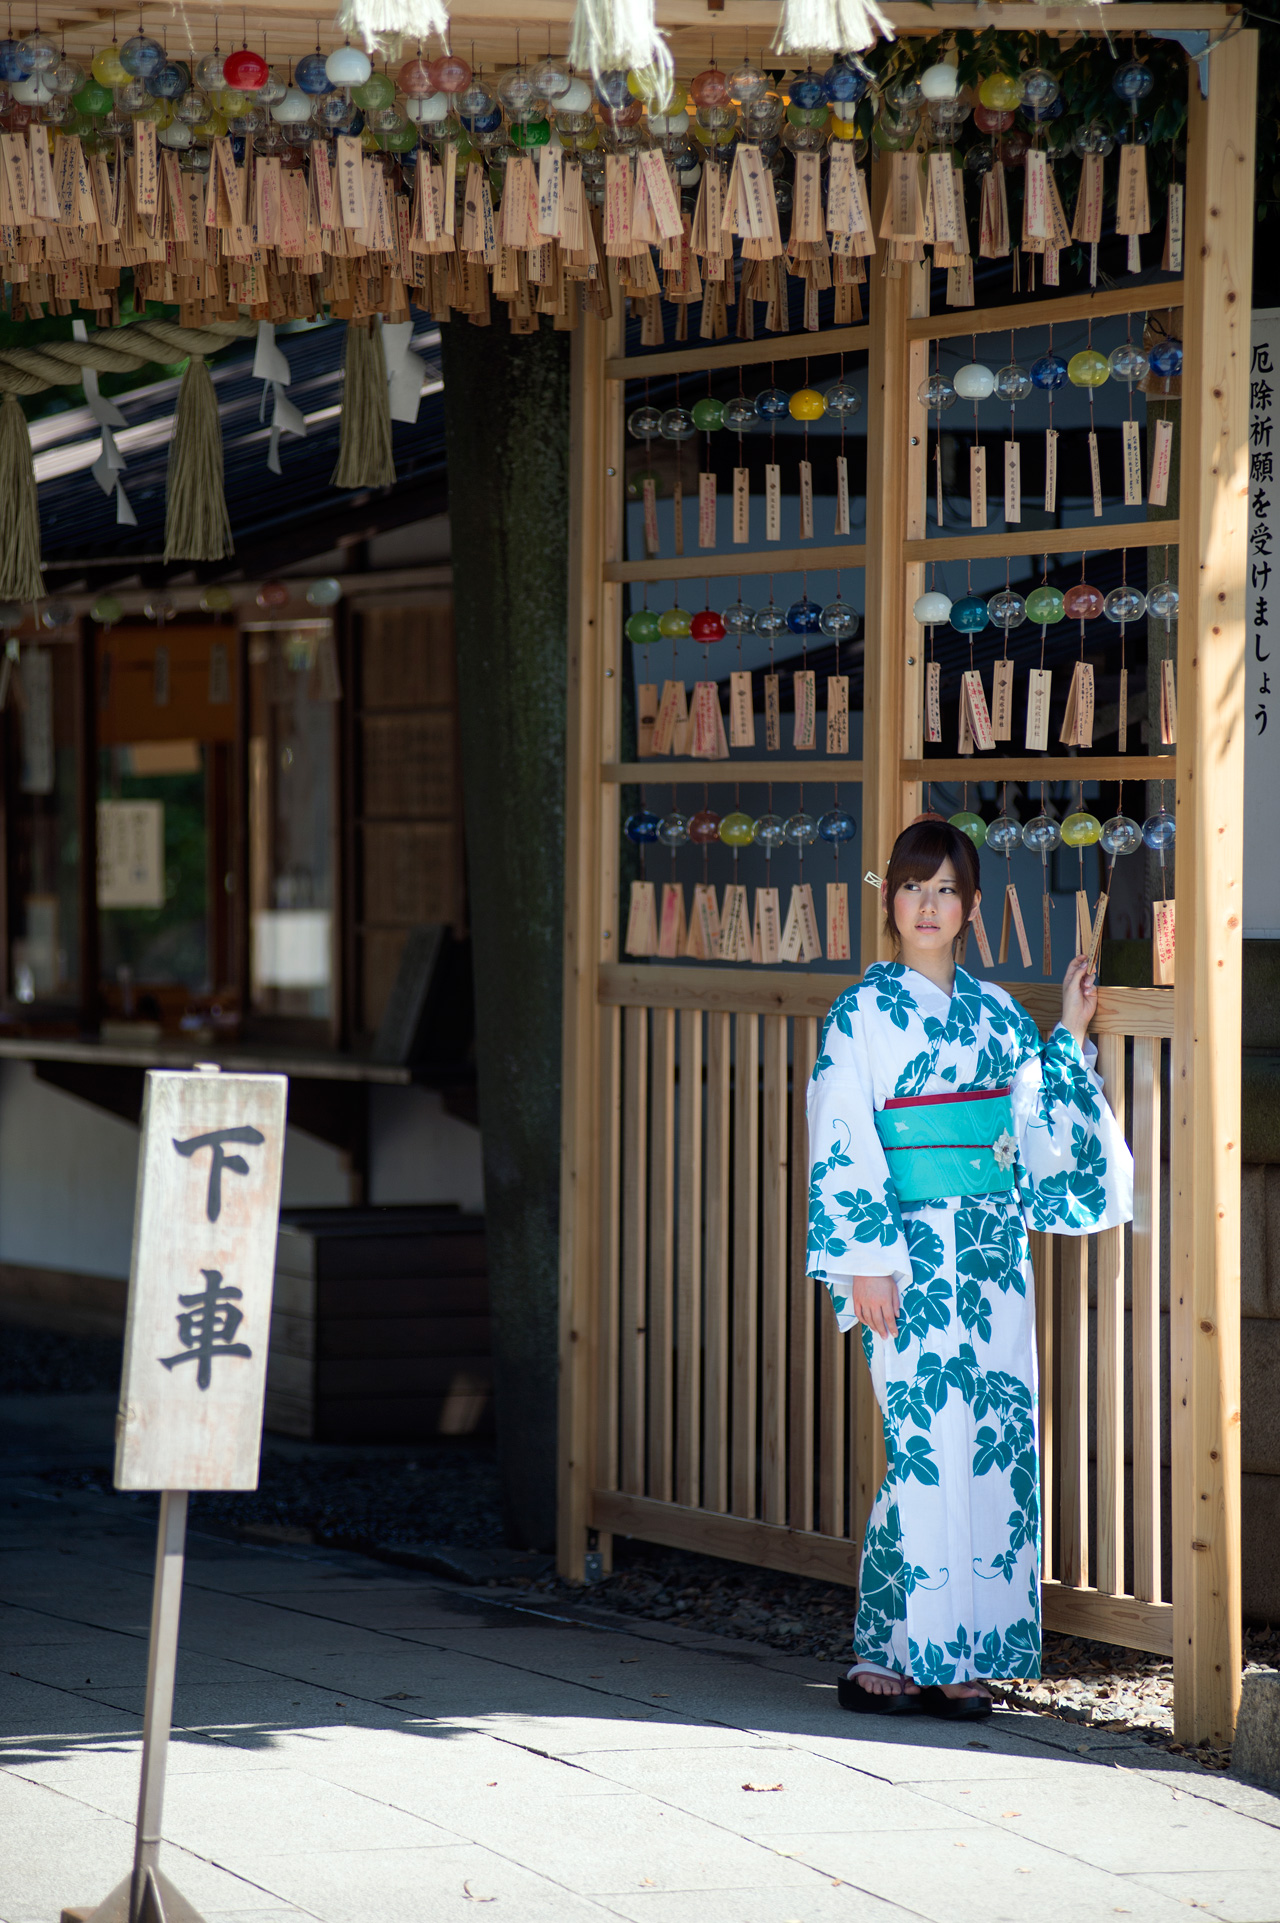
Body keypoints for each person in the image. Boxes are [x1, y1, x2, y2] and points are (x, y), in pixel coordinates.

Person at [806, 818, 1132, 1721]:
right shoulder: (862, 1014)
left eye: (946, 890)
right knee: (922, 1438)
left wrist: (1066, 1033)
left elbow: (1029, 1119)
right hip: (904, 1253)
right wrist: (864, 1258)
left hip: (989, 1257)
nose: (928, 904)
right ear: (889, 902)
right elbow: (842, 1128)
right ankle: (888, 1647)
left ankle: (960, 1655)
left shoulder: (993, 1012)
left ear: (971, 909)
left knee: (992, 1438)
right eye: (913, 887)